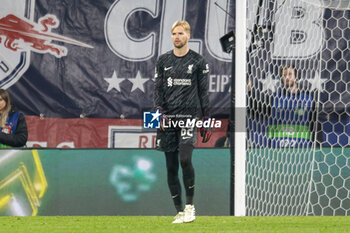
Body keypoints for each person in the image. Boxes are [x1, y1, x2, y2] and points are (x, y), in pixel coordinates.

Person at [153, 20, 211, 223]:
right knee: (170, 167)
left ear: (188, 35)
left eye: (180, 33)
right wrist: (158, 111)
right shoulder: (162, 61)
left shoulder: (198, 61)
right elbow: (158, 90)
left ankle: (190, 207)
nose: (176, 37)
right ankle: (178, 211)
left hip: (189, 118)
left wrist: (206, 118)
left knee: (185, 159)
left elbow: (204, 93)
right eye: (174, 34)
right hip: (167, 120)